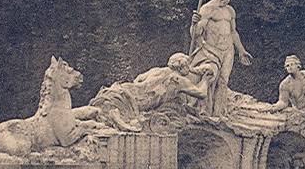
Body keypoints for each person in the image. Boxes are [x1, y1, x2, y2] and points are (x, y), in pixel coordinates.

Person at [75, 53, 212, 132]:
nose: (189, 68)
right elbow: (201, 93)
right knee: (102, 116)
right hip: (134, 103)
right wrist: (205, 79)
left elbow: (138, 79)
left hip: (124, 90)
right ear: (182, 66)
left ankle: (70, 116)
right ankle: (71, 120)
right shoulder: (178, 80)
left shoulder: (156, 71)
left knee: (96, 111)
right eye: (187, 64)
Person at [188, 0, 253, 117]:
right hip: (211, 50)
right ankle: (204, 111)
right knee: (210, 78)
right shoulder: (207, 9)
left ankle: (219, 113)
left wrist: (241, 50)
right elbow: (196, 33)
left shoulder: (230, 10)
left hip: (228, 50)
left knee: (223, 81)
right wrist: (194, 24)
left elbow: (233, 32)